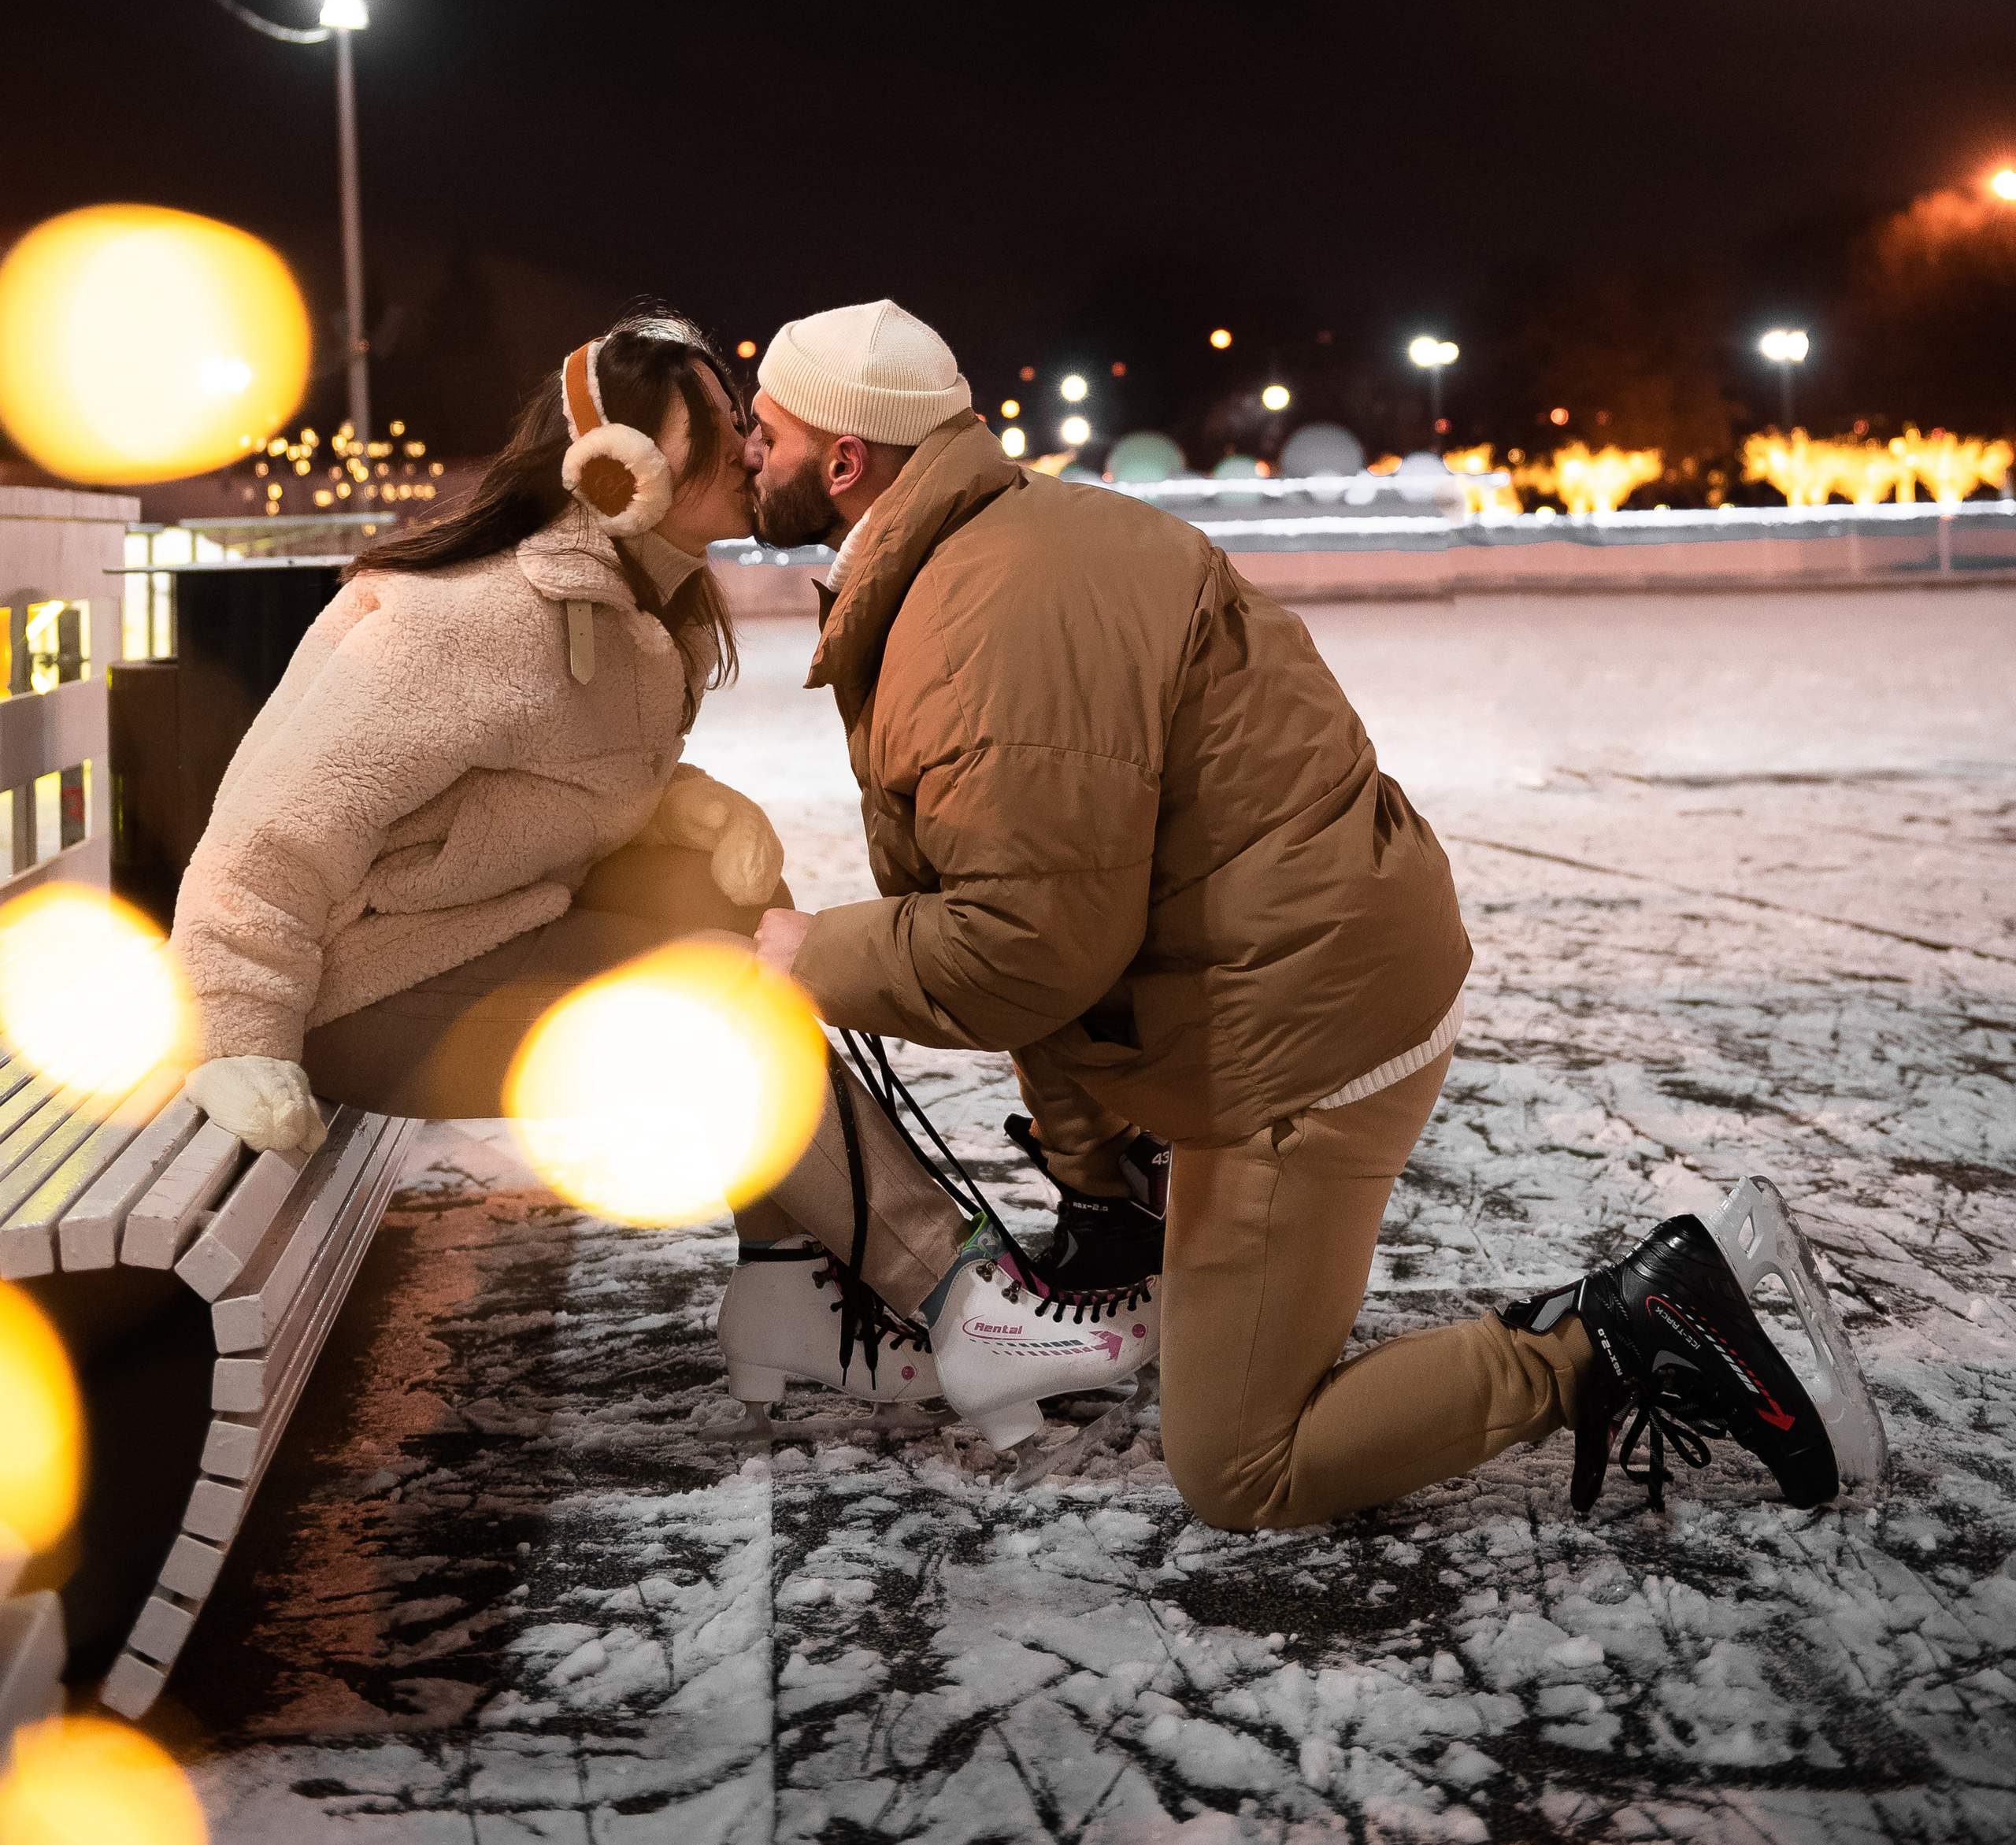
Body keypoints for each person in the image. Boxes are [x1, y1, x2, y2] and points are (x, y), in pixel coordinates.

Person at [720, 298, 1845, 1525]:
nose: (745, 455)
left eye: (763, 432)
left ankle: (1622, 1332)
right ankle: (1140, 1222)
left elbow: (1024, 947)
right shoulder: (1009, 544)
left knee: (1243, 1467)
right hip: (1293, 962)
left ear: (845, 459)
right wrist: (1102, 1198)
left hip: (1303, 1032)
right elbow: (1065, 914)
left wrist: (804, 952)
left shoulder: (980, 616)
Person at [170, 312, 791, 1156]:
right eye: (719, 427)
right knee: (737, 996)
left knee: (753, 915)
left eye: (744, 422)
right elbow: (276, 831)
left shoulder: (646, 619)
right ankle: (911, 1266)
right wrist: (239, 1036)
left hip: (488, 929)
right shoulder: (474, 617)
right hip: (360, 992)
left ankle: (795, 1272)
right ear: (620, 468)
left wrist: (688, 808)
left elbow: (555, 779)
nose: (749, 448)